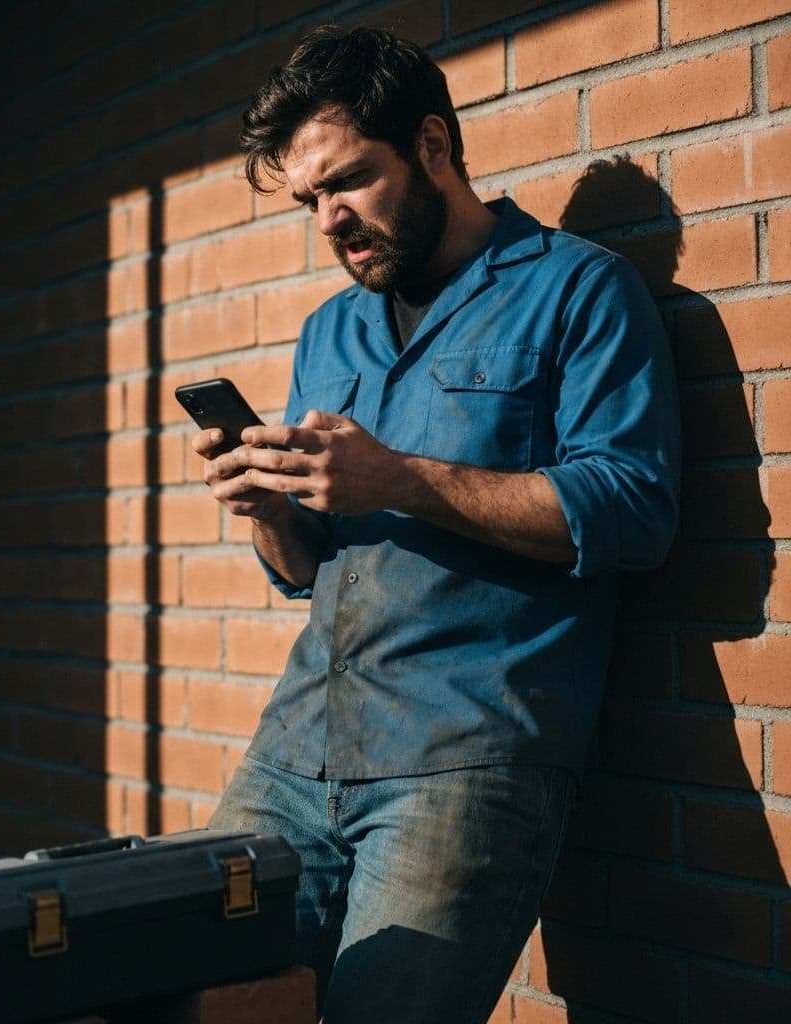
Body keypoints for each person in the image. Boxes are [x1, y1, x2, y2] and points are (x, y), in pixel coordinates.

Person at [192, 25, 681, 1024]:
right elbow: (306, 569)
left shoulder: (577, 289)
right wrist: (264, 506)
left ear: (431, 145)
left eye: (348, 181)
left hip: (462, 759)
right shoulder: (331, 328)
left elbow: (634, 510)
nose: (329, 220)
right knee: (191, 999)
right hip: (295, 751)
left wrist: (401, 479)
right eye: (308, 200)